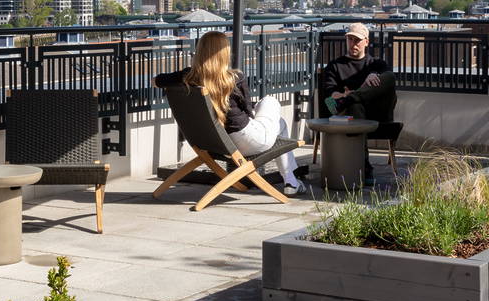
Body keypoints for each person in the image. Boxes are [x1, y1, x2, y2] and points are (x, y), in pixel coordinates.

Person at [154, 31, 305, 196]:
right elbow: (248, 112)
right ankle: (290, 181)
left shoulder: (188, 77)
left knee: (280, 123)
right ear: (223, 53)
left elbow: (156, 80)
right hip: (247, 141)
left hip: (213, 143)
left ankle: (291, 181)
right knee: (270, 101)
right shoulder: (234, 77)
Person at [318, 22, 397, 182]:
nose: (353, 43)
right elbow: (330, 96)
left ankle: (351, 98)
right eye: (350, 39)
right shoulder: (335, 66)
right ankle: (365, 167)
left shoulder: (376, 64)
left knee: (390, 77)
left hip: (377, 113)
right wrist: (358, 90)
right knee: (355, 106)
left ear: (366, 42)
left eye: (357, 40)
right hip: (351, 116)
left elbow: (386, 86)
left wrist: (352, 92)